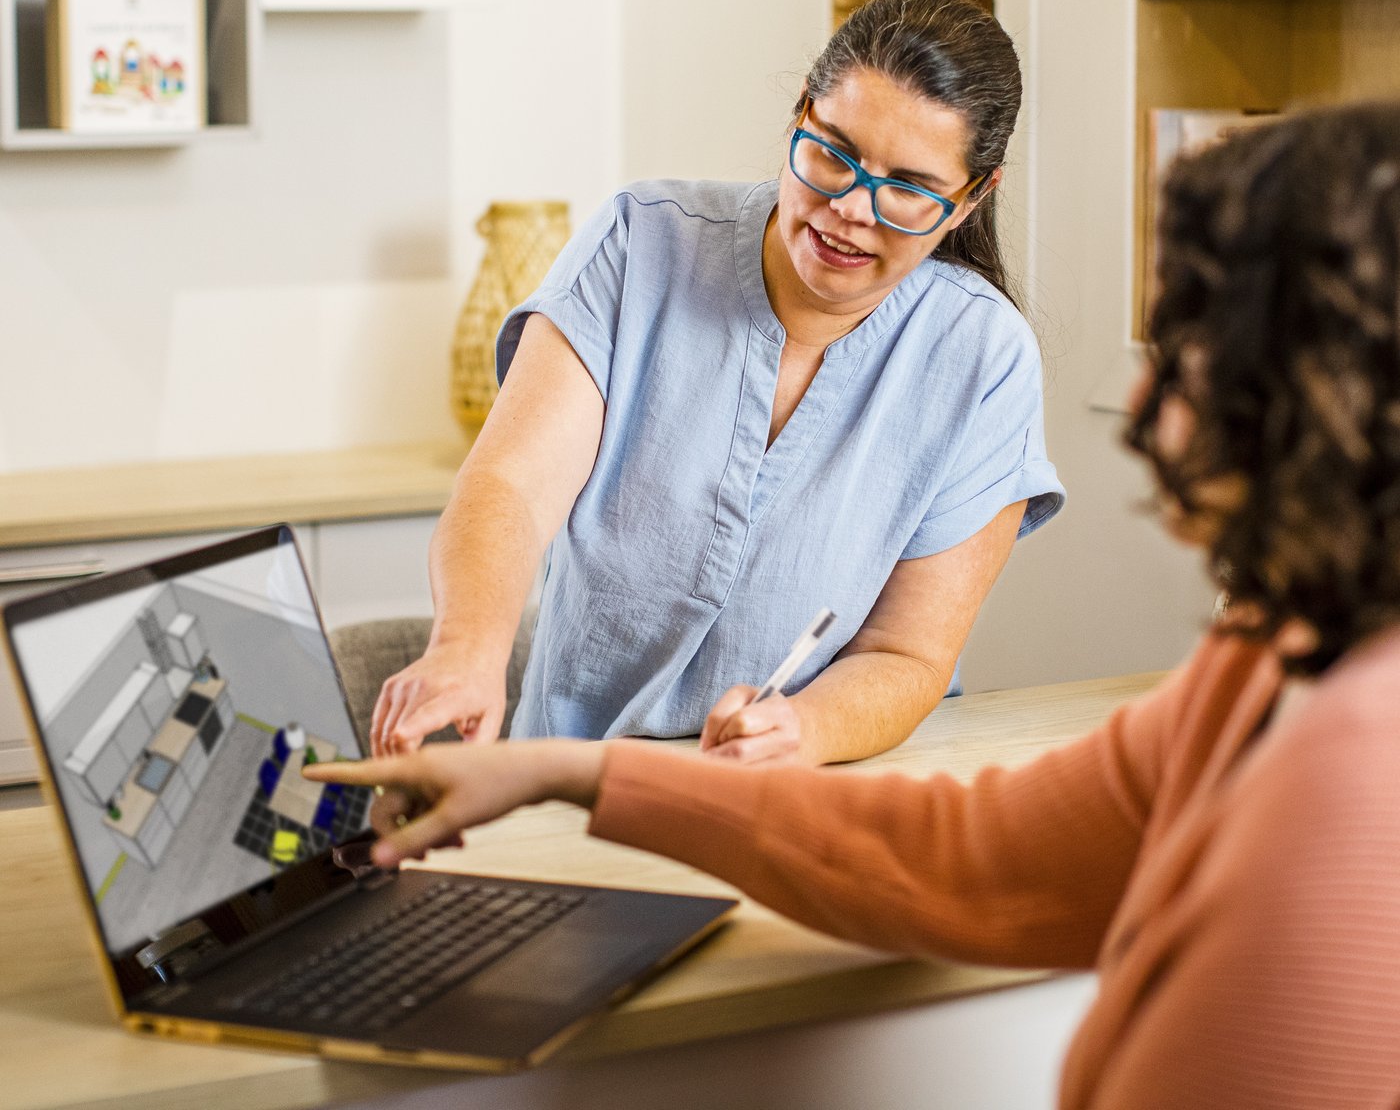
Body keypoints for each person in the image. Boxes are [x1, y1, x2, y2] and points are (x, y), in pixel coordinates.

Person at [315, 104, 1400, 1107]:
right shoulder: (1263, 667)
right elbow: (971, 859)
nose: (1148, 419)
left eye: (1198, 362)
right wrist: (567, 766)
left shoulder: (1352, 774)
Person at [371, 0, 1064, 766]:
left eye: (907, 189)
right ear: (801, 111)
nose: (850, 210)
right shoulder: (640, 243)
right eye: (831, 154)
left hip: (808, 796)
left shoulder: (983, 358)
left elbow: (908, 656)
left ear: (972, 198)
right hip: (568, 789)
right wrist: (466, 649)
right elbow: (509, 489)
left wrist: (804, 731)